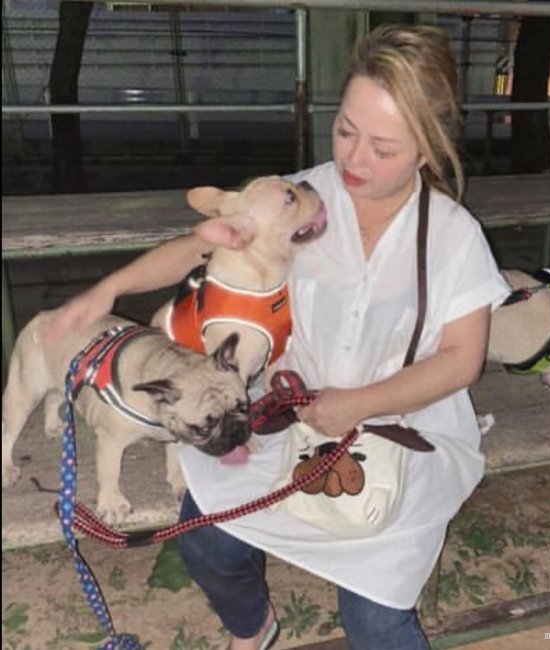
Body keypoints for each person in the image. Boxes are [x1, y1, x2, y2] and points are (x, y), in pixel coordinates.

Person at [45, 24, 509, 650]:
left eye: (383, 147)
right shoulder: (299, 200)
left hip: (405, 425)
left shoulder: (452, 234)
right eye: (346, 130)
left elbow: (461, 362)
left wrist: (358, 404)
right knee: (206, 539)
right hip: (286, 417)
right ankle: (254, 627)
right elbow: (197, 247)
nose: (354, 160)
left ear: (427, 149)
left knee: (375, 620)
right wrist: (110, 291)